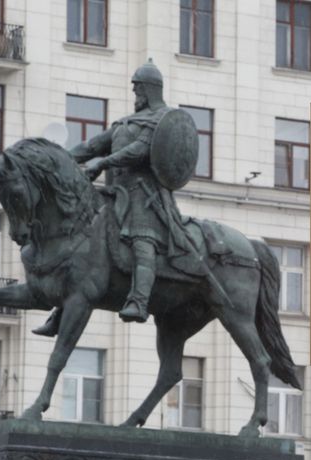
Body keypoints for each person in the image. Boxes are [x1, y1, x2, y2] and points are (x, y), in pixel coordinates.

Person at [34, 59, 194, 335]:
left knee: (143, 242)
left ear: (149, 89)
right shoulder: (125, 122)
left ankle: (139, 301)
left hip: (146, 197)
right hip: (114, 193)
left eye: (138, 90)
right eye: (134, 91)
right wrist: (58, 159)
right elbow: (93, 145)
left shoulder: (162, 120)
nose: (135, 96)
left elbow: (138, 151)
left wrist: (103, 163)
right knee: (82, 242)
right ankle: (62, 309)